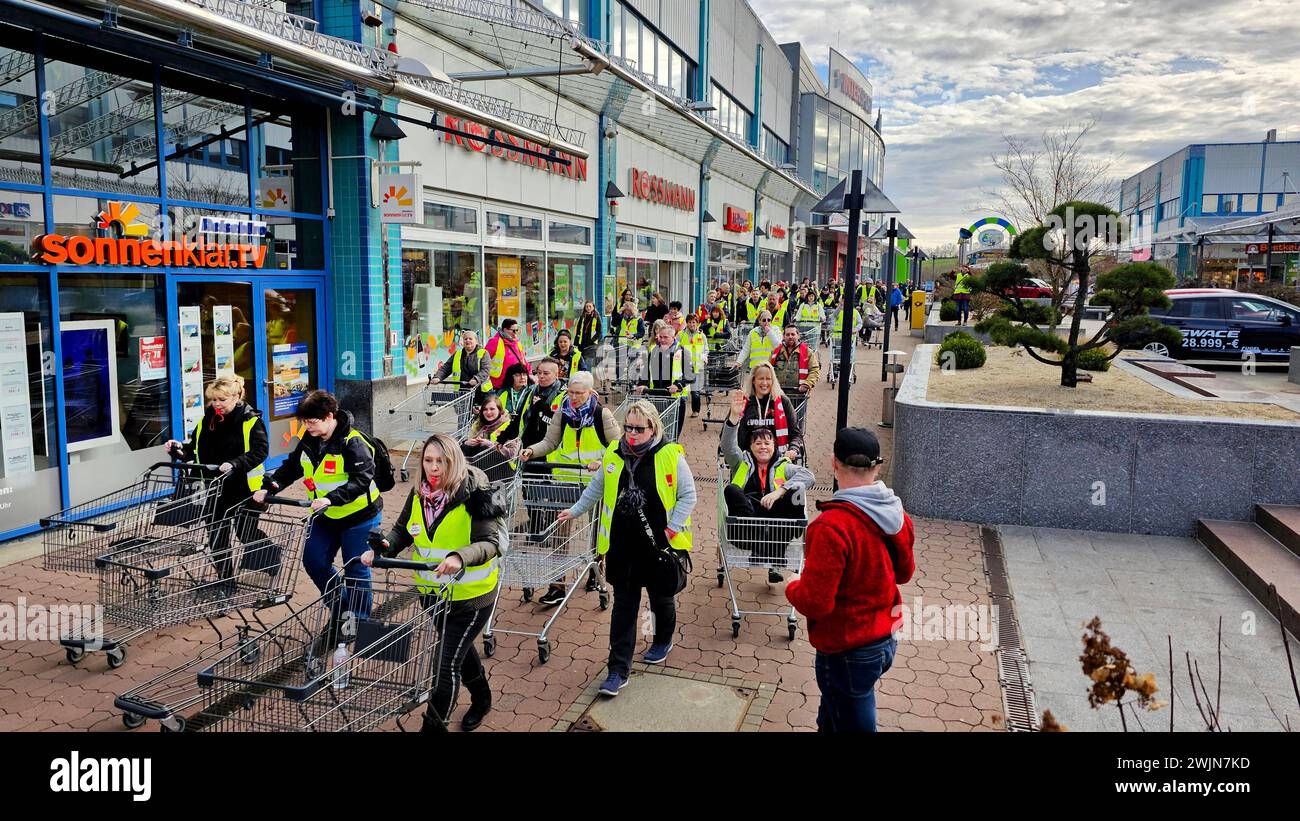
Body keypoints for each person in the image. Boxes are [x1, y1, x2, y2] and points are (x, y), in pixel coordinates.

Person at [362, 434, 505, 732]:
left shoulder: (477, 491)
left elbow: (490, 542)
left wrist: (460, 556)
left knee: (444, 666)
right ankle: (482, 698)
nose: (434, 468)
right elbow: (403, 530)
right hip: (433, 595)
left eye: (442, 461)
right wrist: (382, 547)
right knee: (457, 653)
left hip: (471, 598)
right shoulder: (419, 493)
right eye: (428, 460)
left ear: (454, 462)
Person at [556, 400, 696, 697]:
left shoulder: (670, 454)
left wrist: (672, 529)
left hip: (657, 545)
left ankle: (661, 639)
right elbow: (597, 486)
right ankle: (618, 670)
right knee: (624, 609)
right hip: (622, 545)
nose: (632, 434)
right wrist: (576, 510)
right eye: (628, 427)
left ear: (653, 428)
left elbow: (688, 495)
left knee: (660, 600)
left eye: (639, 429)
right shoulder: (614, 453)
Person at [786, 428, 915, 733]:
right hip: (884, 637)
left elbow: (817, 602)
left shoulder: (831, 526)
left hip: (847, 649)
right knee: (833, 712)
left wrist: (793, 585)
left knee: (852, 715)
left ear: (834, 462)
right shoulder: (895, 513)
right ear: (877, 467)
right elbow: (905, 573)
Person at [256, 390, 381, 623]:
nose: (307, 426)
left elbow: (361, 480)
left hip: (359, 516)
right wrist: (270, 487)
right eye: (304, 421)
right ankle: (343, 611)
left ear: (329, 416)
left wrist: (332, 498)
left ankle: (359, 620)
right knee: (314, 562)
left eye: (311, 421)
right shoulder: (309, 441)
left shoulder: (353, 442)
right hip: (324, 516)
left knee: (355, 568)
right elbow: (291, 468)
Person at [520, 370, 620, 605]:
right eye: (571, 392)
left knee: (597, 533)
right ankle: (557, 585)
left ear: (590, 392)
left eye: (579, 393)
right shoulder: (562, 414)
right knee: (560, 533)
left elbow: (618, 446)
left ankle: (596, 572)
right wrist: (532, 450)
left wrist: (602, 460)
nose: (574, 397)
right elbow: (550, 442)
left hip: (595, 483)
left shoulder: (601, 414)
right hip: (565, 482)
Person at [164, 374, 269, 586]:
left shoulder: (250, 420)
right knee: (217, 535)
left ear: (236, 397)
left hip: (244, 488)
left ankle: (270, 557)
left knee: (245, 533)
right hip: (214, 487)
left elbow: (260, 451)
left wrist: (235, 463)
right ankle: (226, 580)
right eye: (213, 400)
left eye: (222, 399)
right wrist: (177, 449)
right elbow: (193, 449)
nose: (216, 404)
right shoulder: (207, 420)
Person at [721, 392, 814, 583]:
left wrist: (780, 491)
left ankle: (769, 550)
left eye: (767, 443)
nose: (762, 447)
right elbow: (728, 446)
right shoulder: (741, 462)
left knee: (796, 492)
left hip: (777, 523)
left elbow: (808, 476)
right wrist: (733, 417)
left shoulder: (783, 466)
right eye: (758, 443)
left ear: (775, 446)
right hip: (747, 528)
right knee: (731, 490)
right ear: (750, 446)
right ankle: (764, 547)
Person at [736, 361, 803, 461]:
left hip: (778, 459)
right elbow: (728, 434)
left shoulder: (783, 403)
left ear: (773, 381)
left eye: (768, 379)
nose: (764, 383)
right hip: (748, 460)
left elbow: (796, 434)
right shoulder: (743, 403)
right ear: (753, 380)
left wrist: (793, 449)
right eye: (761, 379)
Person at [635, 321, 695, 434]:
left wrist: (677, 385)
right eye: (660, 337)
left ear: (673, 337)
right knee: (655, 431)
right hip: (656, 396)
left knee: (672, 433)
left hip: (675, 398)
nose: (662, 340)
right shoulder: (654, 351)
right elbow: (646, 372)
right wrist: (641, 384)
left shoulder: (682, 352)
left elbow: (690, 375)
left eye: (665, 337)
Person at [520, 358, 567, 450]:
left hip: (549, 449)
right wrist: (503, 438)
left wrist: (542, 407)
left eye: (546, 373)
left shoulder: (564, 395)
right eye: (539, 372)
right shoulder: (531, 391)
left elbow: (562, 423)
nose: (541, 376)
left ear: (556, 375)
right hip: (528, 445)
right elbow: (519, 418)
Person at [431, 330, 492, 400]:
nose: (467, 340)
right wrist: (438, 377)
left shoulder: (483, 353)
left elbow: (486, 369)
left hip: (482, 393)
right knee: (463, 410)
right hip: (462, 393)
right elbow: (446, 367)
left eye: (470, 338)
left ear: (476, 341)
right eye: (465, 339)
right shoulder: (457, 354)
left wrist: (476, 379)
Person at [772, 324, 821, 395]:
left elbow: (814, 370)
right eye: (787, 334)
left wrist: (807, 384)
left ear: (798, 336)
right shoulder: (775, 352)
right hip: (778, 394)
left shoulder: (807, 352)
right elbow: (768, 370)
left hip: (798, 395)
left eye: (793, 334)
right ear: (783, 336)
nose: (790, 337)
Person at [485, 319, 532, 391]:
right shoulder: (495, 342)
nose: (515, 333)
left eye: (517, 330)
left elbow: (523, 361)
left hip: (515, 384)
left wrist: (529, 373)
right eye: (513, 330)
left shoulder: (516, 342)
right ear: (505, 330)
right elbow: (483, 361)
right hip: (499, 385)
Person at [462, 393, 513, 457]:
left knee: (484, 448)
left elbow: (512, 454)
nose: (488, 412)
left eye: (492, 409)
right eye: (485, 409)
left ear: (500, 410)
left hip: (501, 464)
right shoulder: (478, 424)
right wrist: (467, 443)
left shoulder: (509, 426)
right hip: (479, 461)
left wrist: (491, 445)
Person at [494, 363, 533, 443]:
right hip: (502, 430)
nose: (522, 377)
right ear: (510, 377)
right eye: (517, 375)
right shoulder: (502, 392)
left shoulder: (532, 392)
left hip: (523, 432)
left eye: (524, 374)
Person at [678, 314, 708, 416]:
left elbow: (706, 349)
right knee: (681, 390)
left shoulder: (701, 336)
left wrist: (704, 356)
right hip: (684, 367)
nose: (692, 324)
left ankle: (696, 410)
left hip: (697, 367)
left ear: (697, 323)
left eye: (694, 322)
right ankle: (679, 410)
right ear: (687, 323)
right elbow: (675, 347)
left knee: (695, 391)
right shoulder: (681, 335)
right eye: (690, 322)